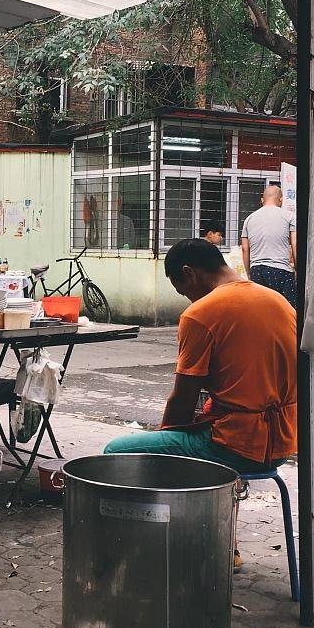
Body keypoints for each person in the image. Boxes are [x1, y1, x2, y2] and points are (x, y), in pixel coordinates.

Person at [105, 238, 297, 567]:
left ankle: (141, 551)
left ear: (189, 273)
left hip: (236, 445)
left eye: (183, 290)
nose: (187, 299)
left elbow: (183, 398)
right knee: (183, 444)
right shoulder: (278, 301)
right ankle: (225, 546)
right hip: (282, 443)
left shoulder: (201, 313)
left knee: (117, 453)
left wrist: (166, 436)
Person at [241, 185, 296, 306]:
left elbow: (245, 249)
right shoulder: (289, 216)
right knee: (287, 310)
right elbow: (295, 244)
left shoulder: (249, 219)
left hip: (257, 270)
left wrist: (249, 273)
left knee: (262, 309)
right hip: (281, 270)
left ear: (262, 200)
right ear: (281, 199)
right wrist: (297, 269)